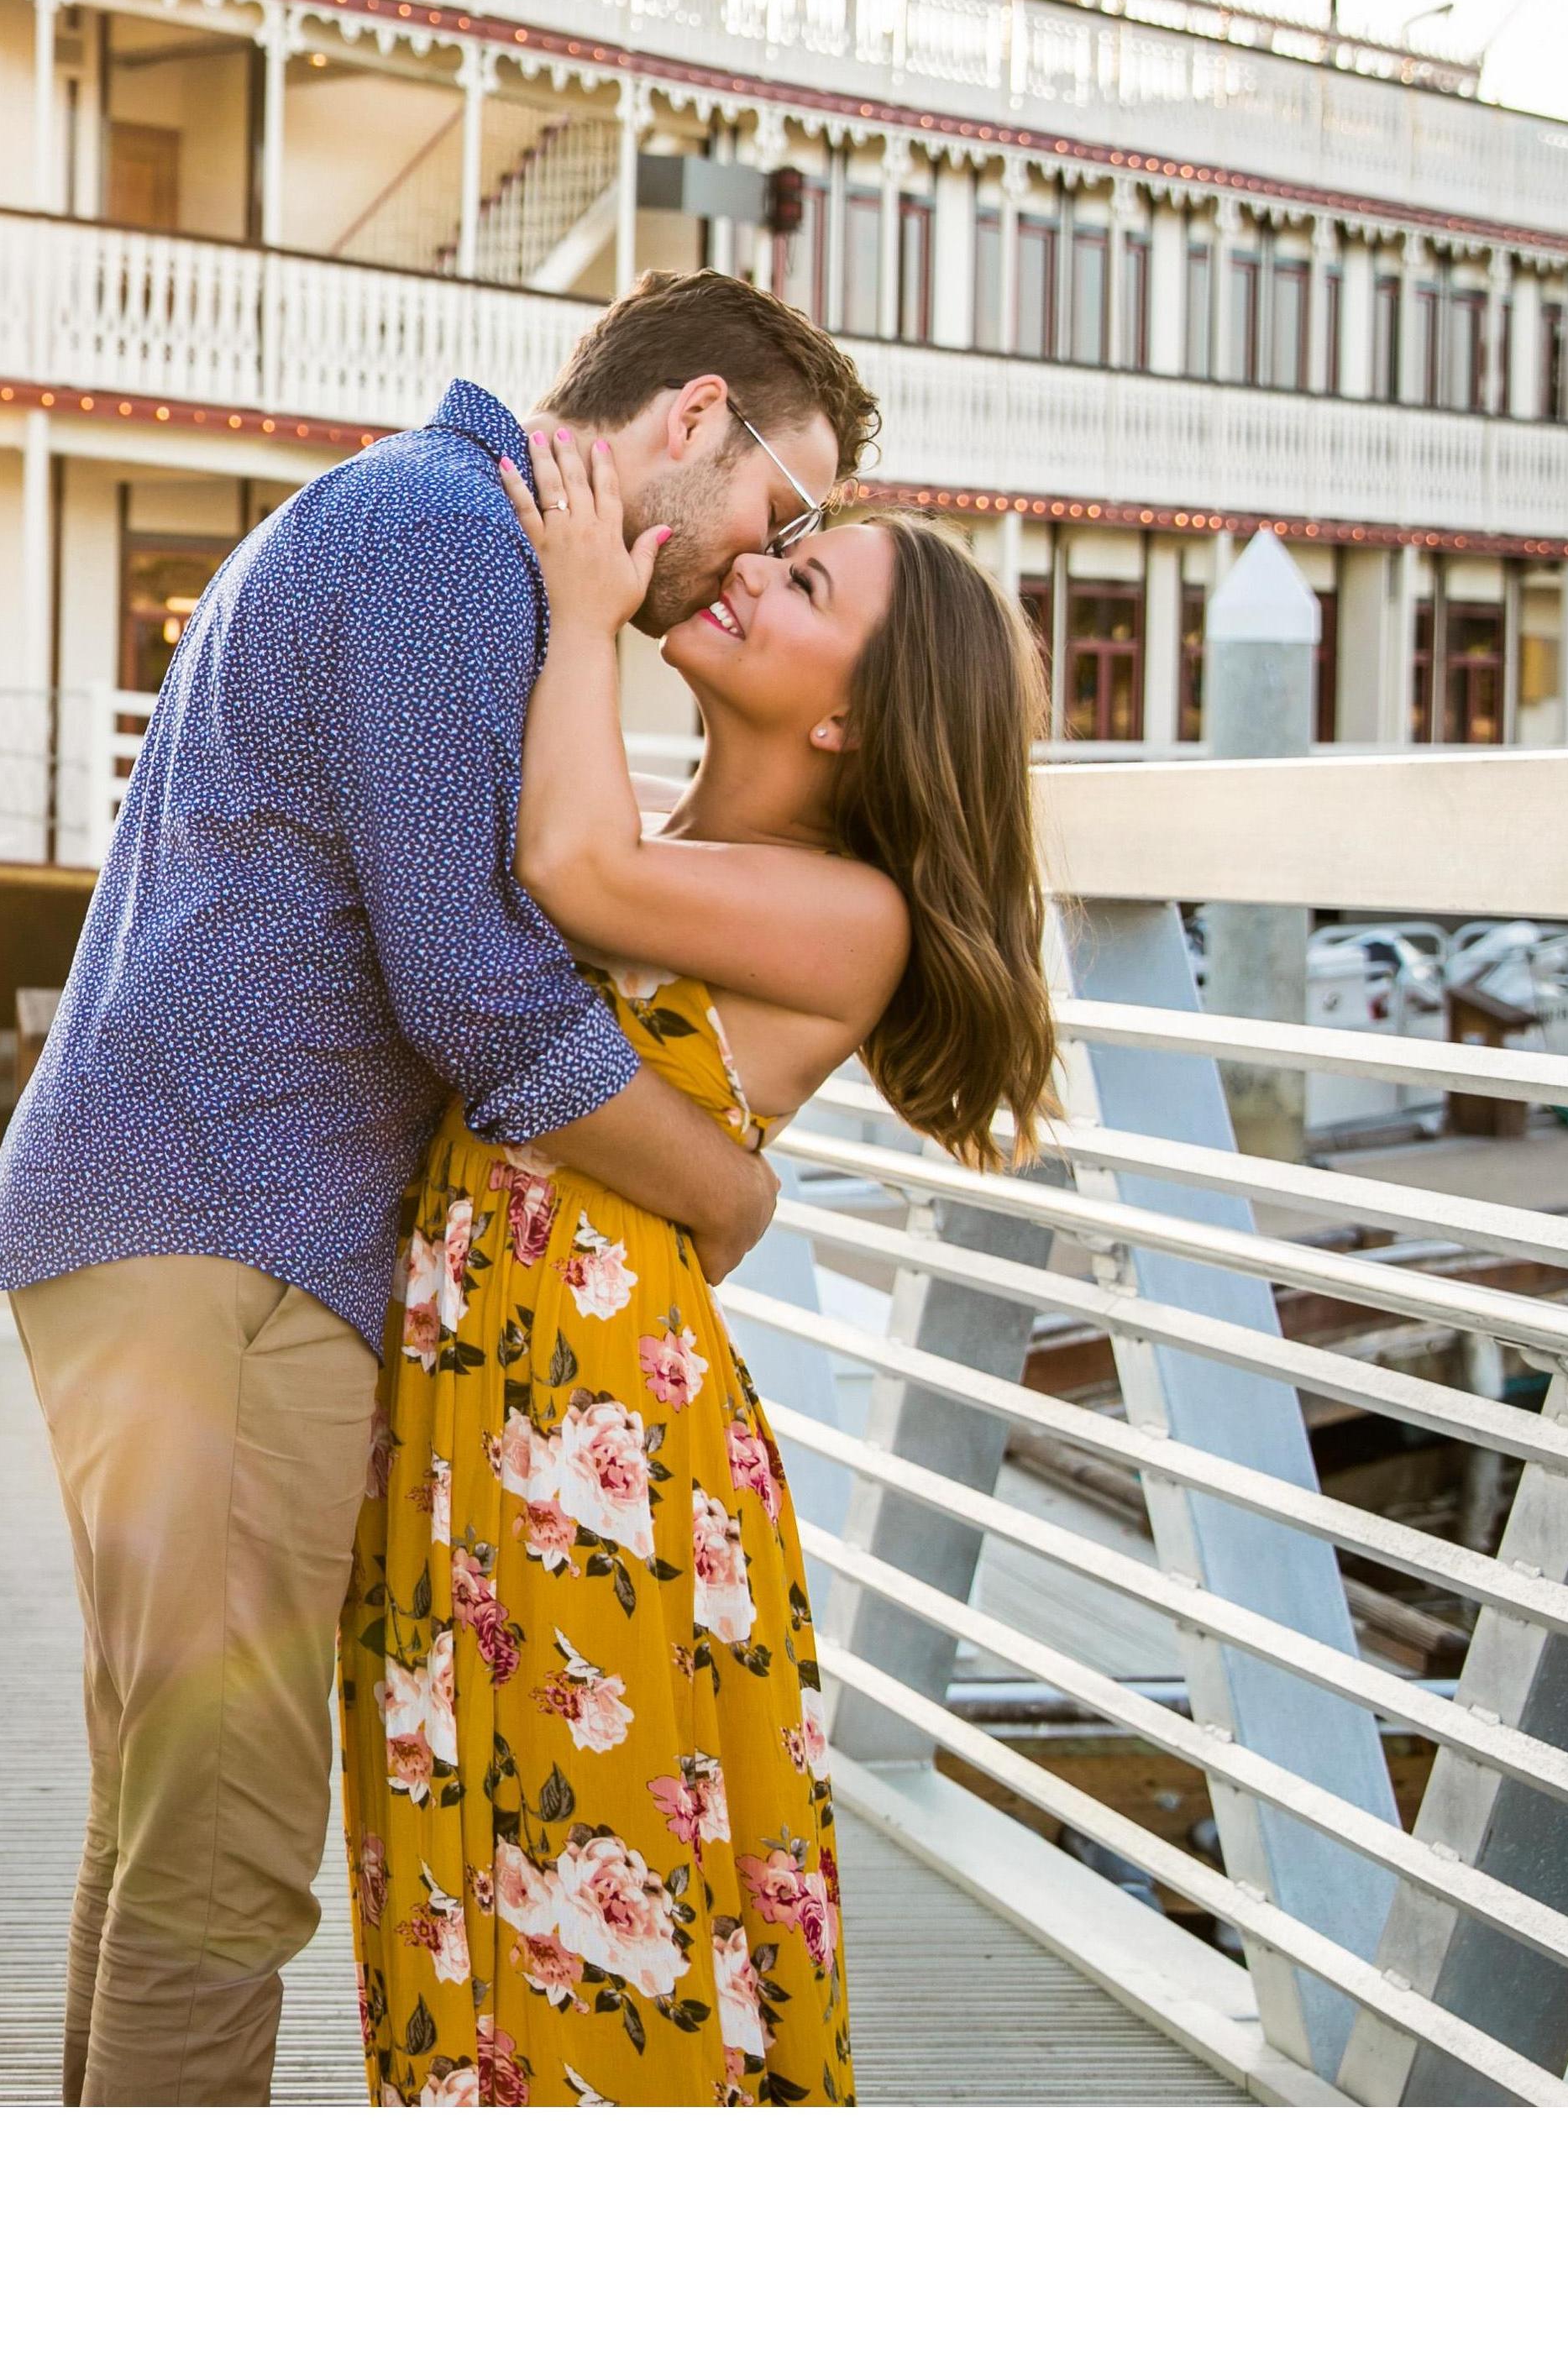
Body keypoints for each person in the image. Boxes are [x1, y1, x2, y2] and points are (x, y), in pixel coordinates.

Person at [0, 269, 879, 2105]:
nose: (759, 561)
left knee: (162, 1817)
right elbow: (470, 982)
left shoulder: (440, 526)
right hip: (220, 1227)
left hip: (197, 1218)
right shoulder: (444, 538)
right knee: (222, 1850)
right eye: (781, 511)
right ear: (694, 419)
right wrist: (727, 1195)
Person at [341, 420, 1056, 2106]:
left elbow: (568, 872)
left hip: (597, 1439)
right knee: (458, 1872)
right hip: (472, 1400)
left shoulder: (851, 910)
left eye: (802, 584)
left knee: (589, 1902)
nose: (746, 571)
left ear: (851, 719)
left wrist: (582, 608)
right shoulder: (676, 837)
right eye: (776, 551)